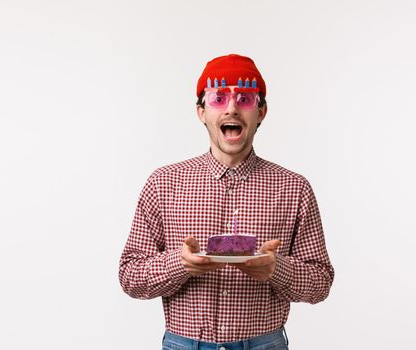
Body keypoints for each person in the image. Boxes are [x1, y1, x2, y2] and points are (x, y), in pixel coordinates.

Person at [119, 54, 334, 349]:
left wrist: (276, 268)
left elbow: (320, 283)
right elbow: (130, 275)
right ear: (201, 111)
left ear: (261, 112)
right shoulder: (163, 183)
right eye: (218, 98)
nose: (231, 108)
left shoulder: (294, 188)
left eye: (244, 99)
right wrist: (180, 264)